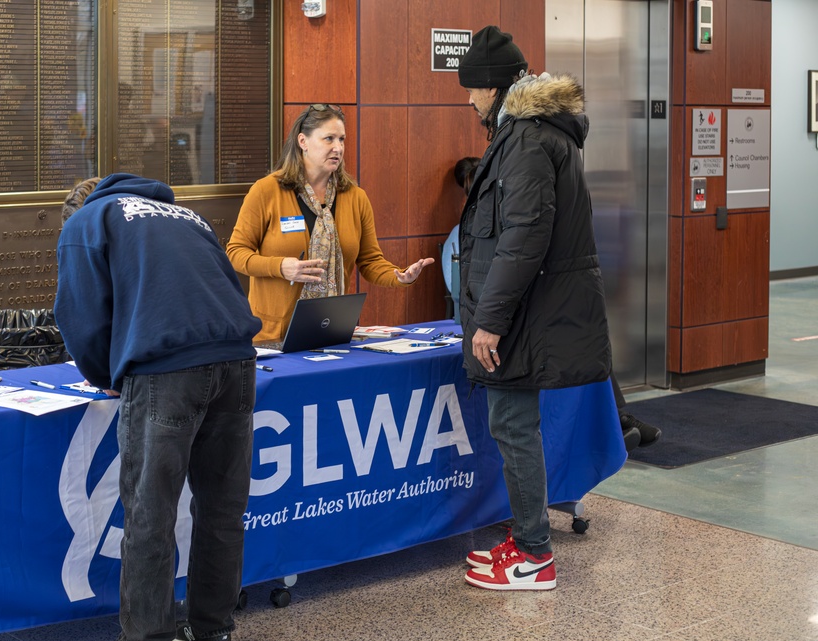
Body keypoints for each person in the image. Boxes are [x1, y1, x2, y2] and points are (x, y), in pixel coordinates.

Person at [55, 173, 262, 641]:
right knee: (220, 506)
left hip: (167, 371)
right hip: (237, 361)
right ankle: (211, 631)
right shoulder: (186, 216)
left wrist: (105, 374)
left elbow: (79, 314)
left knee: (151, 513)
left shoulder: (87, 221)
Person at [454, 27, 613, 591]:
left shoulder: (524, 140)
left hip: (521, 317)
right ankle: (526, 538)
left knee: (513, 426)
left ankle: (533, 554)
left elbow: (522, 238)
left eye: (472, 89)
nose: (468, 99)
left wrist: (490, 320)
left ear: (493, 88)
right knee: (514, 425)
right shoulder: (541, 134)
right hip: (530, 310)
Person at [451, 155, 660, 452]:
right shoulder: (468, 236)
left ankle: (618, 419)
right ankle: (614, 427)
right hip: (499, 319)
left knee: (587, 351)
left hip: (527, 308)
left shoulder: (516, 219)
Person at [226, 103, 435, 342]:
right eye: (329, 139)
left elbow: (370, 261)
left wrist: (399, 276)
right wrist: (281, 267)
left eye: (342, 139)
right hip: (274, 336)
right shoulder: (266, 191)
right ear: (302, 141)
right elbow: (235, 253)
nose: (338, 148)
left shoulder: (355, 197)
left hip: (331, 331)